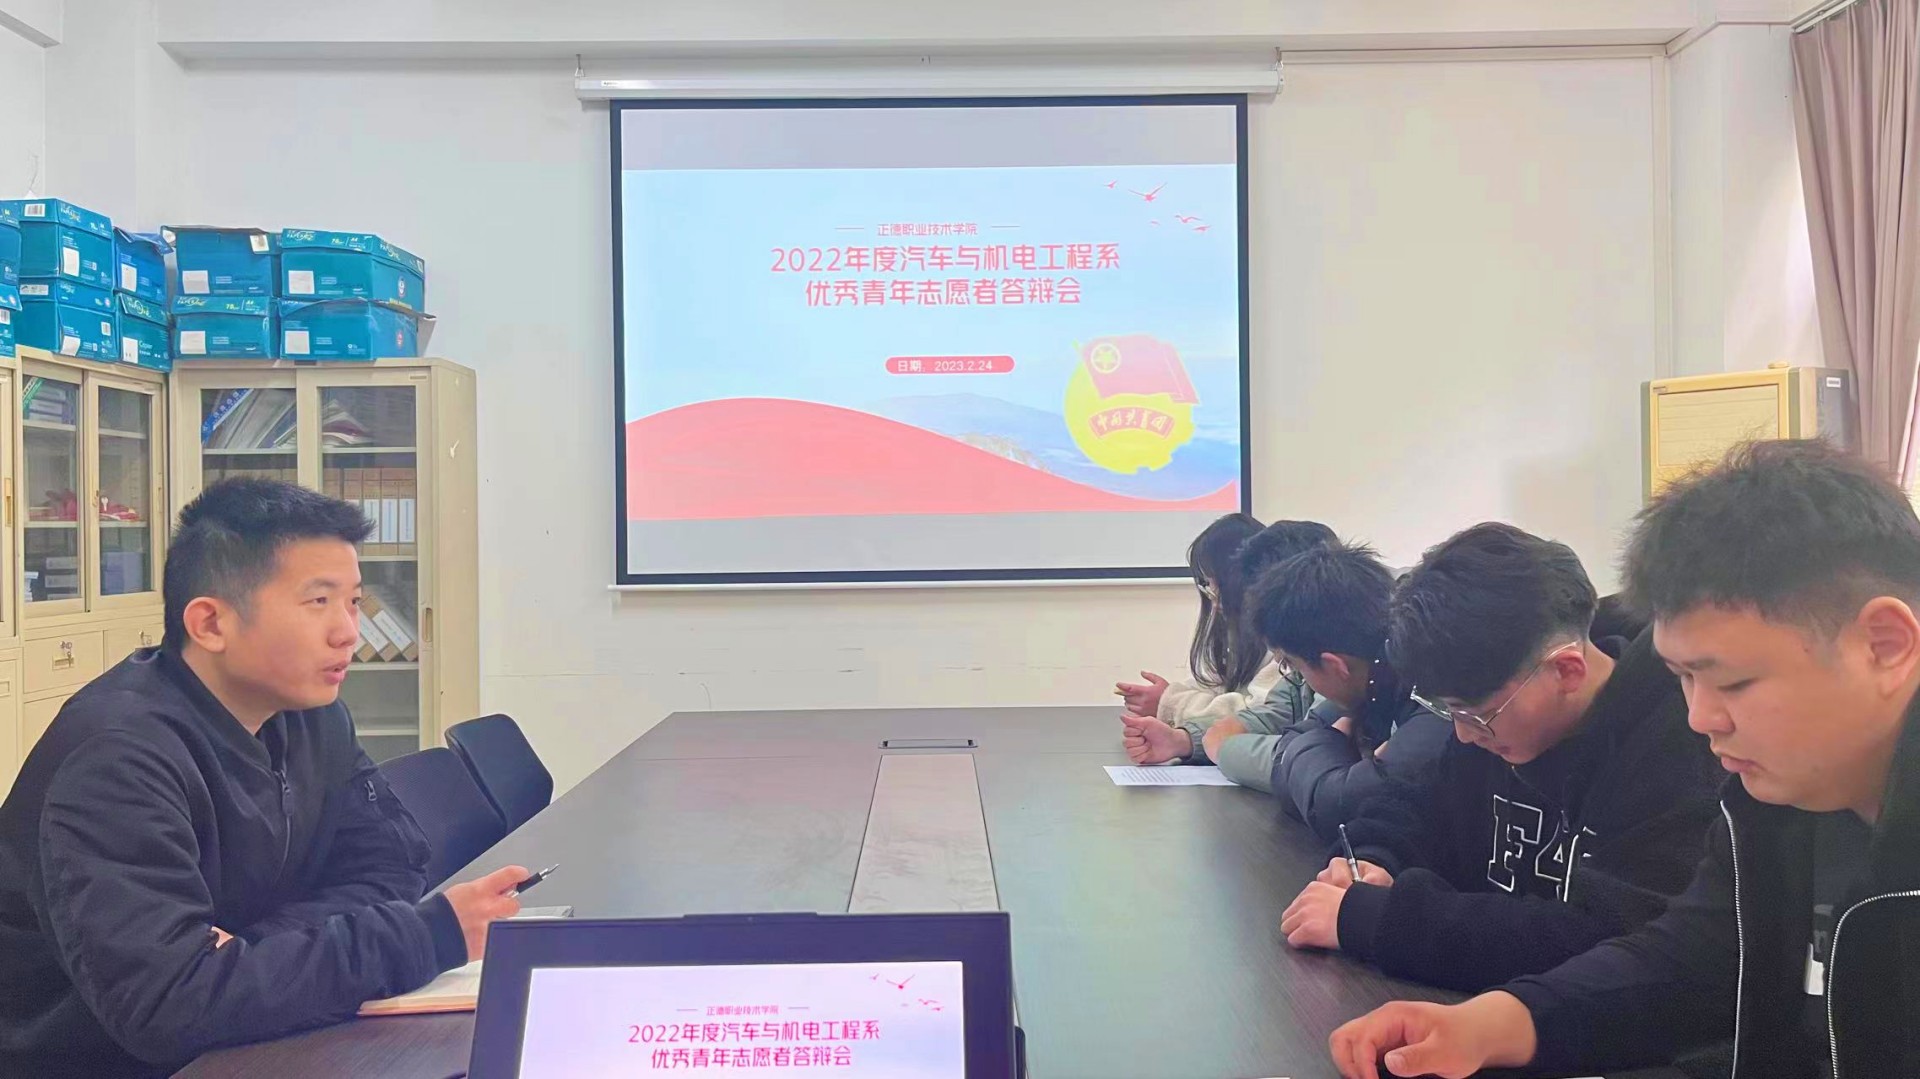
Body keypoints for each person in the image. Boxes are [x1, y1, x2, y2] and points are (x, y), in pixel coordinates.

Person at [1328, 440, 1920, 1079]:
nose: (1700, 718)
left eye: (1733, 682)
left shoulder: (1778, 776)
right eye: (1683, 677)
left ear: (1884, 646)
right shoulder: (1775, 797)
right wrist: (1495, 1024)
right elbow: (1692, 960)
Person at [0, 478, 528, 1078]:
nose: (348, 631)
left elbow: (394, 866)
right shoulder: (115, 759)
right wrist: (425, 938)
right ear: (210, 623)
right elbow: (168, 1006)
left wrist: (252, 954)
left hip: (243, 1042)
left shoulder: (311, 716)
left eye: (354, 602)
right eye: (318, 601)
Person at [1278, 523, 1723, 993]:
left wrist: (1383, 921)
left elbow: (1611, 940)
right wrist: (1371, 861)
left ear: (1565, 671)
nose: (1464, 735)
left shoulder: (1677, 752)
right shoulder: (1492, 720)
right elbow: (1413, 807)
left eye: (1476, 715)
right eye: (1449, 712)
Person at [1250, 541, 1451, 840]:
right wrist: (1327, 752)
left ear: (1335, 666)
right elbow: (1285, 752)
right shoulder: (1370, 679)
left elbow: (1340, 809)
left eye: (1292, 665)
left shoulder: (1436, 695)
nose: (1299, 678)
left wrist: (1323, 750)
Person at [1122, 520, 1343, 790]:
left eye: (1214, 585)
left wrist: (1225, 748)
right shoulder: (1305, 659)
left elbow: (1308, 760)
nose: (1214, 597)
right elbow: (1275, 714)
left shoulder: (1345, 664)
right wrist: (1184, 741)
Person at [1116, 512, 1279, 727]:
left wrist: (1170, 704)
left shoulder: (1282, 640)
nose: (1212, 597)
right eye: (1206, 585)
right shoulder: (1233, 632)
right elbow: (1210, 686)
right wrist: (1166, 703)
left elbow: (1260, 714)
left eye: (1214, 583)